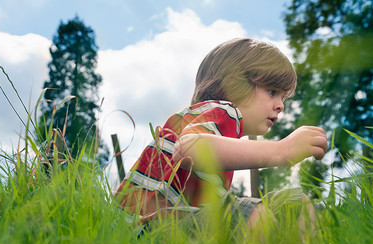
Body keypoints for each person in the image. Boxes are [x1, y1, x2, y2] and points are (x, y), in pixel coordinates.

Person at [115, 38, 328, 233]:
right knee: (251, 215)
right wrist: (283, 150)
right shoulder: (223, 111)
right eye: (272, 92)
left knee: (294, 202)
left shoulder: (212, 124)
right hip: (149, 232)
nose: (280, 105)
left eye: (283, 97)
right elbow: (189, 150)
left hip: (176, 228)